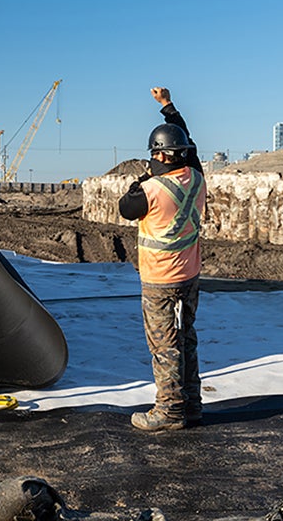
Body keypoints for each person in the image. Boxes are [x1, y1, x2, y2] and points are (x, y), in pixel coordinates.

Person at [118, 87, 206, 432]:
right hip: (190, 275)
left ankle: (169, 411)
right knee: (187, 338)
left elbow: (127, 207)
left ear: (160, 157)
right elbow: (192, 145)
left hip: (160, 281)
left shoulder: (149, 191)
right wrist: (168, 107)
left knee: (165, 345)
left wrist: (140, 180)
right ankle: (192, 404)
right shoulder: (197, 178)